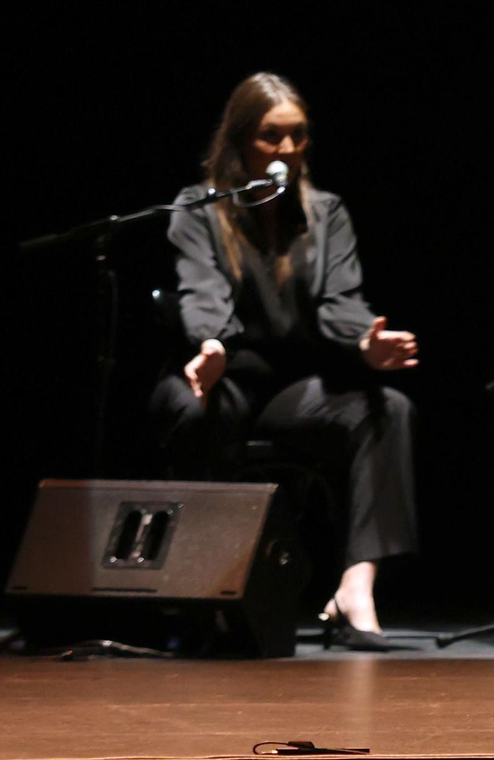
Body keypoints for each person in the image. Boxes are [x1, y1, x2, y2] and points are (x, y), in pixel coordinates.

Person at [149, 72, 421, 651]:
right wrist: (212, 343)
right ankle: (204, 590)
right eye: (273, 137)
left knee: (385, 409)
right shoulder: (200, 210)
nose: (289, 151)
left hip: (283, 390)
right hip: (218, 373)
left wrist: (364, 345)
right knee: (193, 414)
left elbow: (339, 302)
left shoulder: (326, 213)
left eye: (298, 136)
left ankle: (355, 586)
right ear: (242, 140)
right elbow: (201, 292)